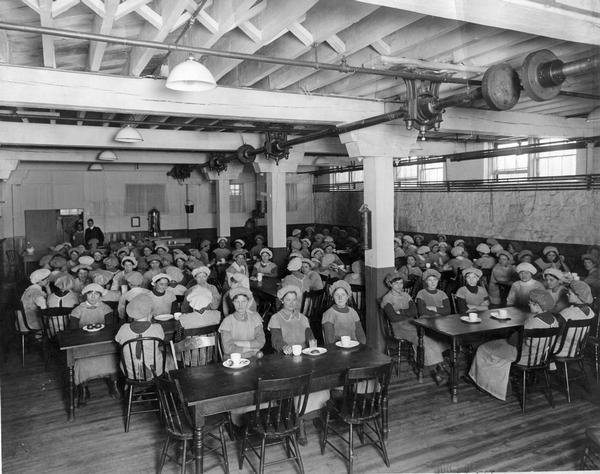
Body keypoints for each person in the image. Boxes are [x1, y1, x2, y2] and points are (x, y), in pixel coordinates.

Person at [468, 289, 558, 400]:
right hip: (540, 357)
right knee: (499, 345)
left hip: (523, 357)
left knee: (483, 348)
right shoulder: (554, 320)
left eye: (531, 302)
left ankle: (488, 385)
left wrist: (514, 333)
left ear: (537, 305)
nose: (529, 303)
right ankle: (499, 383)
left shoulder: (532, 321)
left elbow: (513, 341)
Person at [69, 283, 119, 402]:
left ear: (100, 295)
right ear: (85, 295)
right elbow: (73, 331)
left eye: (96, 294)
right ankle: (83, 387)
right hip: (84, 344)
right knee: (81, 362)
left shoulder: (106, 309)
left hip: (102, 343)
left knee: (111, 357)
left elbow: (110, 329)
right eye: (90, 293)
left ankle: (114, 385)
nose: (93, 296)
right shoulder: (77, 310)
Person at [115, 294, 167, 383]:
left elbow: (118, 341)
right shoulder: (157, 327)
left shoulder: (123, 328)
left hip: (131, 373)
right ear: (150, 313)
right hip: (154, 371)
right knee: (164, 354)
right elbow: (161, 340)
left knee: (122, 359)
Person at [218, 286, 265, 360]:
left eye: (244, 301)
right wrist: (250, 349)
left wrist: (236, 343)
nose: (240, 305)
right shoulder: (227, 322)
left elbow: (261, 342)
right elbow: (227, 348)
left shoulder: (255, 318)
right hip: (233, 360)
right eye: (237, 301)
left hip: (252, 359)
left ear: (248, 302)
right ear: (233, 302)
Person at [268, 285, 316, 354]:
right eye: (288, 300)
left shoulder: (303, 318)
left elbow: (309, 336)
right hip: (285, 354)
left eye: (294, 300)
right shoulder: (276, 318)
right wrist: (284, 347)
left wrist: (312, 345)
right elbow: (276, 340)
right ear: (282, 301)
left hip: (303, 352)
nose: (291, 303)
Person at [554, 280, 595, 357]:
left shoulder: (566, 314)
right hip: (576, 350)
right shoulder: (591, 313)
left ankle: (551, 366)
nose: (567, 294)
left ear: (578, 295)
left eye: (569, 293)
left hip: (558, 350)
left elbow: (554, 333)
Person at [322, 280, 366, 345]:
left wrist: (361, 347)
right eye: (337, 295)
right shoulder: (329, 314)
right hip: (337, 349)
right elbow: (329, 341)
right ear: (333, 297)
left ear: (348, 296)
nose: (340, 298)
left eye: (343, 294)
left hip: (354, 347)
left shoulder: (353, 312)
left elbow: (361, 335)